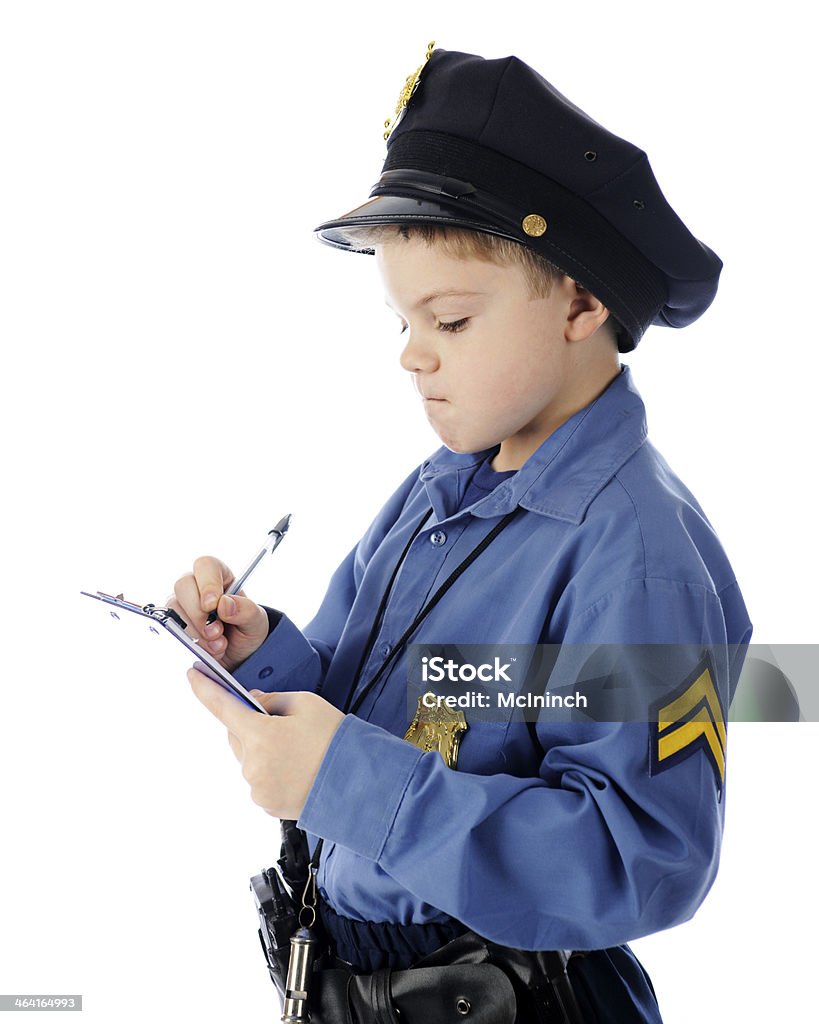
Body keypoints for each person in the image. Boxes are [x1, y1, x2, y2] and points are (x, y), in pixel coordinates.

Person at [171, 46, 752, 1023]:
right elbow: (365, 694)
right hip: (353, 984)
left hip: (517, 998)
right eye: (402, 319)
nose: (410, 354)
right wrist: (262, 653)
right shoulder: (435, 494)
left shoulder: (640, 556)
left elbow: (642, 855)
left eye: (449, 317)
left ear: (579, 301)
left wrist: (351, 783)